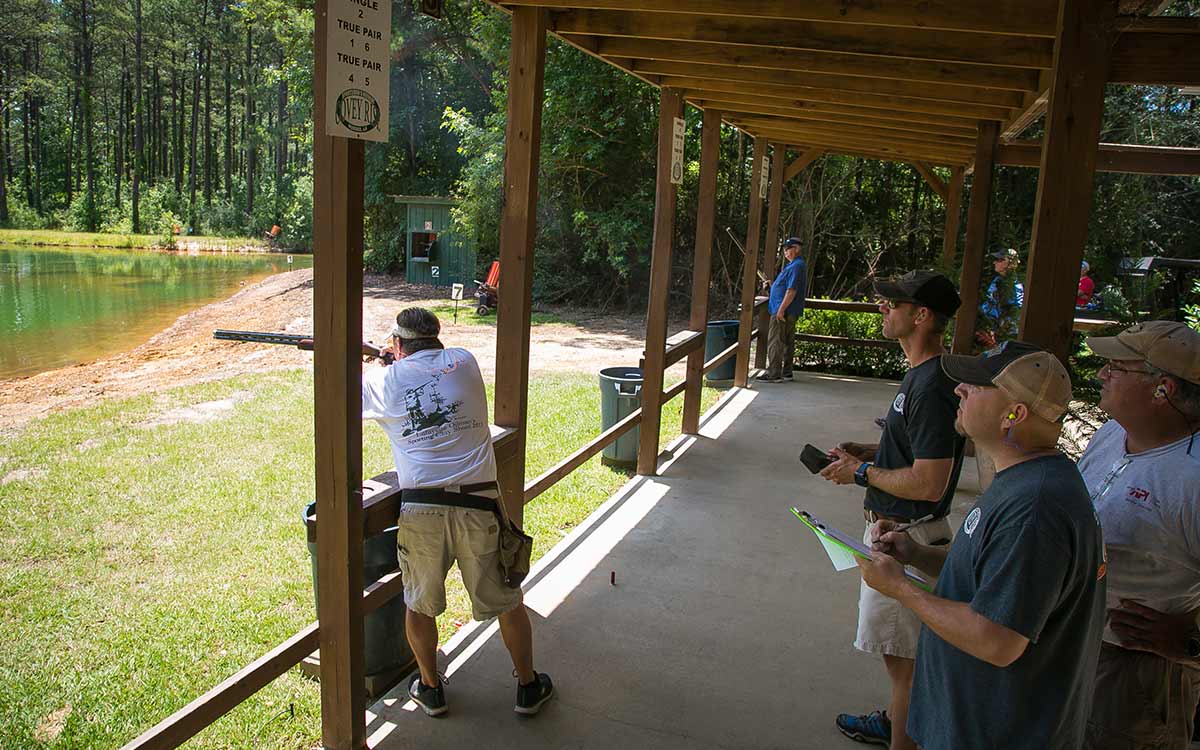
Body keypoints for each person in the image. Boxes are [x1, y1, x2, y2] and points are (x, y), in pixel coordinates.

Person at [860, 341, 1107, 750]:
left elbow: (997, 640)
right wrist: (916, 553)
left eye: (976, 386)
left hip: (995, 733)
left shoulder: (1035, 507)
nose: (958, 390)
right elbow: (996, 580)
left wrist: (899, 588)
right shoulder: (1027, 478)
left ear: (1015, 413)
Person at [361, 307, 554, 718]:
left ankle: (430, 688)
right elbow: (428, 371)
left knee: (418, 604)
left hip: (421, 510)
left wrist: (381, 364)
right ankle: (527, 686)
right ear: (436, 337)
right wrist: (391, 359)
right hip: (478, 506)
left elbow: (354, 395)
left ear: (398, 345)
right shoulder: (463, 361)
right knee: (507, 602)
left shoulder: (383, 381)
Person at [820, 269, 966, 750]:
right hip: (901, 532)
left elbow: (929, 481)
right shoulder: (923, 375)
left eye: (893, 303)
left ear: (921, 316)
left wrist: (861, 474)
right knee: (904, 662)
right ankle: (899, 722)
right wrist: (870, 451)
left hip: (907, 538)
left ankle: (901, 732)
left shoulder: (930, 385)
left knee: (905, 668)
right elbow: (919, 450)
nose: (883, 308)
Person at [1077, 321, 1200, 750]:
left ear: (1162, 389)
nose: (1100, 375)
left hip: (1137, 678)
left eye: (1115, 366)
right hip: (1079, 648)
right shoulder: (1113, 432)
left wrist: (1189, 640)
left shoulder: (1193, 478)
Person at [757, 237, 807, 383]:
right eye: (784, 249)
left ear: (797, 248)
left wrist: (781, 310)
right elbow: (784, 288)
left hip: (784, 310)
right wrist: (771, 287)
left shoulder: (796, 266)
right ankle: (786, 372)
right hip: (786, 309)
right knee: (786, 341)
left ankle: (774, 373)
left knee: (776, 341)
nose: (786, 252)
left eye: (788, 248)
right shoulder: (794, 266)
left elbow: (791, 290)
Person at [978, 248, 1025, 346]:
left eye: (1000, 260)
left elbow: (1015, 310)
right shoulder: (998, 280)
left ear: (1010, 263)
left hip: (1006, 333)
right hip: (996, 329)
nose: (995, 262)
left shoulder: (1014, 285)